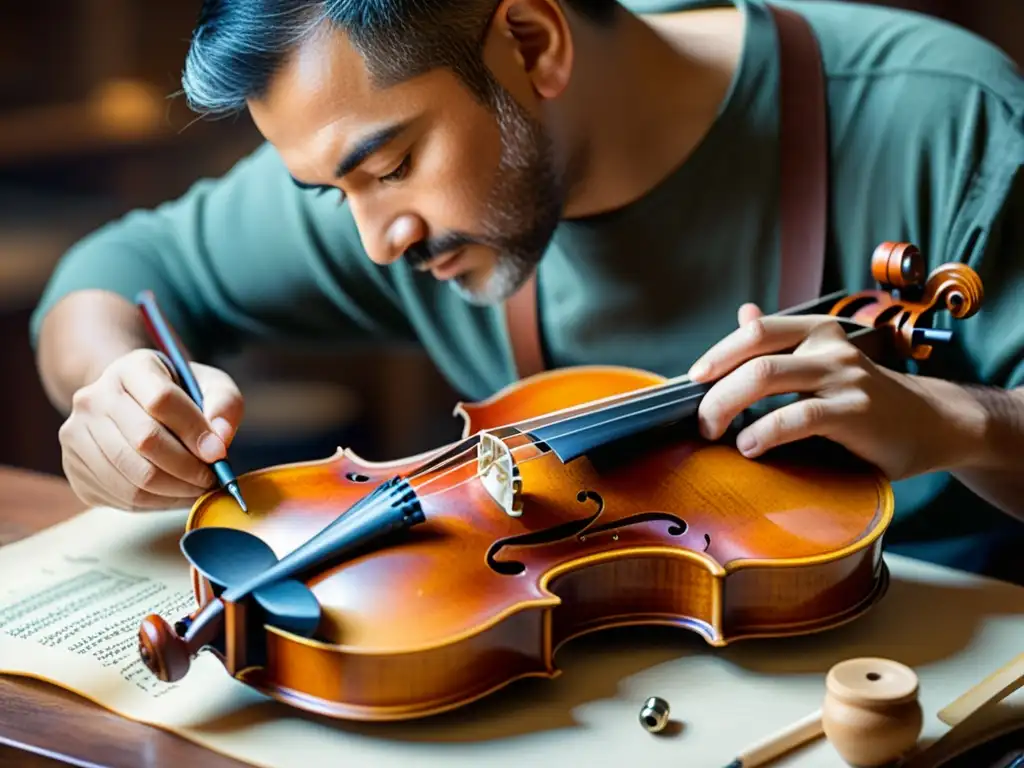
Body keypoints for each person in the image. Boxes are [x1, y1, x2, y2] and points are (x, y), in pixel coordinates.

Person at [30, 0, 1024, 584]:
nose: (378, 240)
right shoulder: (380, 176)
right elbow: (109, 275)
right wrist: (116, 386)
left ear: (534, 42)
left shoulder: (948, 119)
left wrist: (963, 422)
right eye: (333, 193)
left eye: (391, 165)